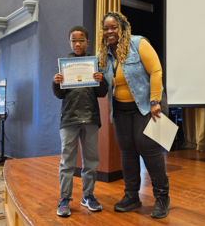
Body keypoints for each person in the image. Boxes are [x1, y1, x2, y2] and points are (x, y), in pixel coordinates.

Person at [98, 12, 170, 219]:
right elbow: (102, 86)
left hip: (146, 108)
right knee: (127, 152)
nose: (109, 31)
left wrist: (155, 100)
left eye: (113, 27)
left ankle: (162, 197)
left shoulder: (138, 43)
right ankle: (131, 196)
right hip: (120, 110)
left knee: (149, 149)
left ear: (122, 27)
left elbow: (156, 70)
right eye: (106, 28)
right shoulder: (103, 55)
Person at [53, 26, 108, 217]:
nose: (77, 44)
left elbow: (102, 93)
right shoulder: (63, 65)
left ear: (87, 42)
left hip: (91, 118)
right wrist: (56, 82)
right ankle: (64, 199)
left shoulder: (94, 64)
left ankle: (88, 196)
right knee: (67, 162)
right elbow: (60, 94)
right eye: (74, 40)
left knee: (91, 161)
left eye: (81, 40)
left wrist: (101, 80)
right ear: (69, 42)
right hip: (69, 119)